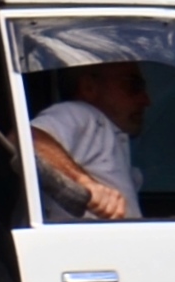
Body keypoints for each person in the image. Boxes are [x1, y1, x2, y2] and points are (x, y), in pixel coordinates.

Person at [32, 57, 150, 221]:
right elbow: (27, 139)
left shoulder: (109, 134)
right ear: (89, 88)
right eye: (133, 86)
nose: (146, 100)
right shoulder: (80, 113)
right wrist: (85, 183)